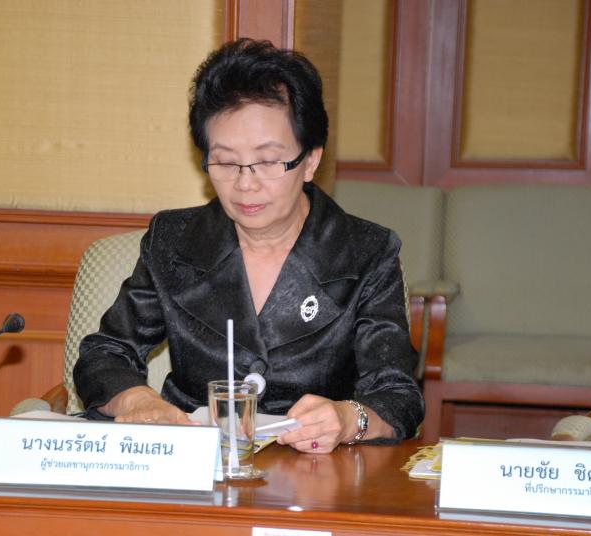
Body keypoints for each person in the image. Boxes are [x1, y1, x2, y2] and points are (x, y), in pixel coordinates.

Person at [74, 38, 424, 452]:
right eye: (225, 162)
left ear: (310, 160)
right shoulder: (174, 241)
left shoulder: (366, 252)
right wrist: (138, 400)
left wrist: (349, 419)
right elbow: (105, 353)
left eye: (268, 161)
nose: (245, 183)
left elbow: (397, 395)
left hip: (316, 470)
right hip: (195, 462)